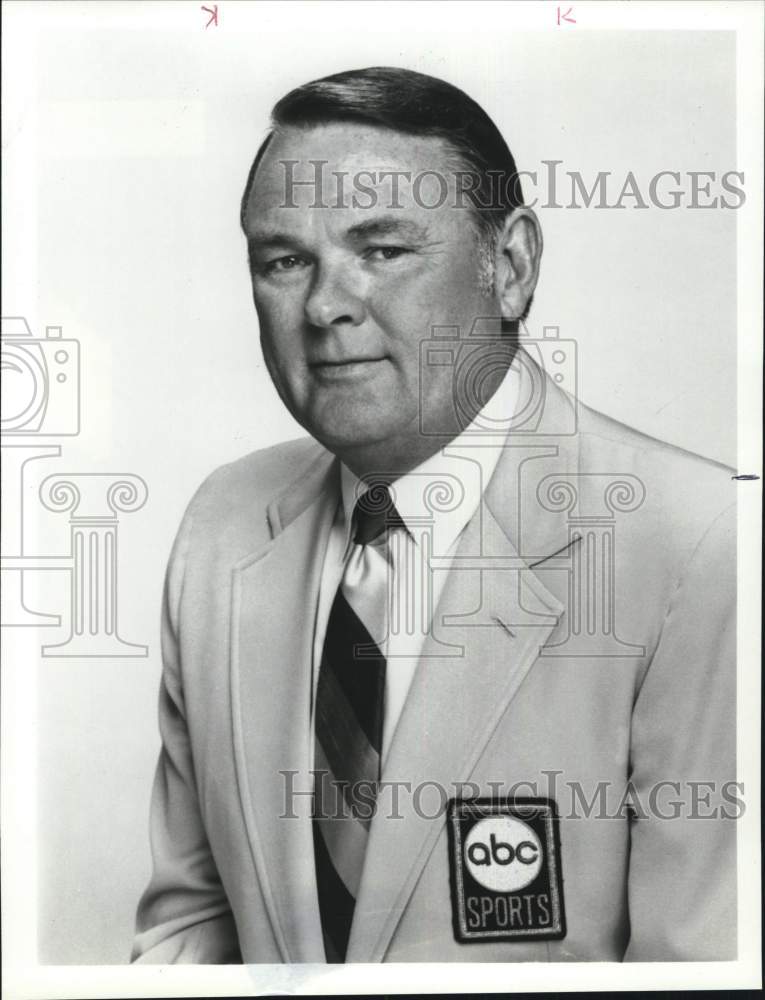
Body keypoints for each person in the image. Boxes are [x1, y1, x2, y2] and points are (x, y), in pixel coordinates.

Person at [131, 67, 737, 964]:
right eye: (284, 260)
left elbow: (702, 972)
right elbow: (188, 929)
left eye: (382, 250)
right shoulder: (223, 527)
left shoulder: (698, 541)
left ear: (512, 267)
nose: (327, 305)